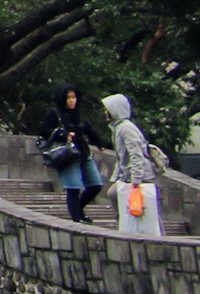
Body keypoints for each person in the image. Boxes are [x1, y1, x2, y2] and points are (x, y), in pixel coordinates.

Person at [102, 93, 167, 237]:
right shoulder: (118, 128)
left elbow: (136, 155)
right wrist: (117, 177)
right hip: (129, 175)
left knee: (150, 208)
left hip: (142, 175)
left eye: (107, 109)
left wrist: (136, 180)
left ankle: (159, 236)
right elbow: (121, 157)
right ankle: (125, 225)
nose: (105, 112)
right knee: (113, 194)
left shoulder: (126, 129)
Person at [43, 88, 103, 223]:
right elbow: (44, 131)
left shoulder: (78, 114)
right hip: (66, 154)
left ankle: (79, 209)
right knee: (73, 188)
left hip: (82, 152)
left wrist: (99, 143)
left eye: (74, 97)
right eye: (69, 98)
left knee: (95, 185)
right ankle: (76, 219)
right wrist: (64, 135)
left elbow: (88, 129)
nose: (72, 101)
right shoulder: (55, 113)